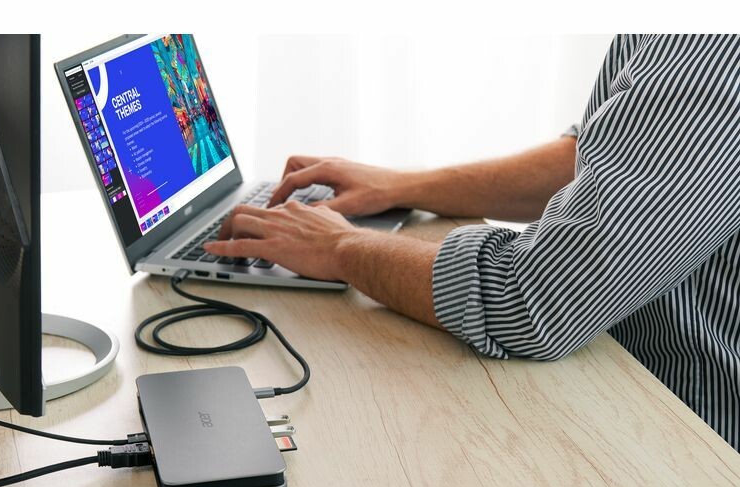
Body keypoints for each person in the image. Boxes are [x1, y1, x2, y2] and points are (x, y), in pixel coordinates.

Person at [205, 35, 740, 450]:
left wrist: (341, 249)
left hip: (697, 441)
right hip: (626, 379)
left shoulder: (708, 48)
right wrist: (404, 186)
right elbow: (593, 157)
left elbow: (531, 300)